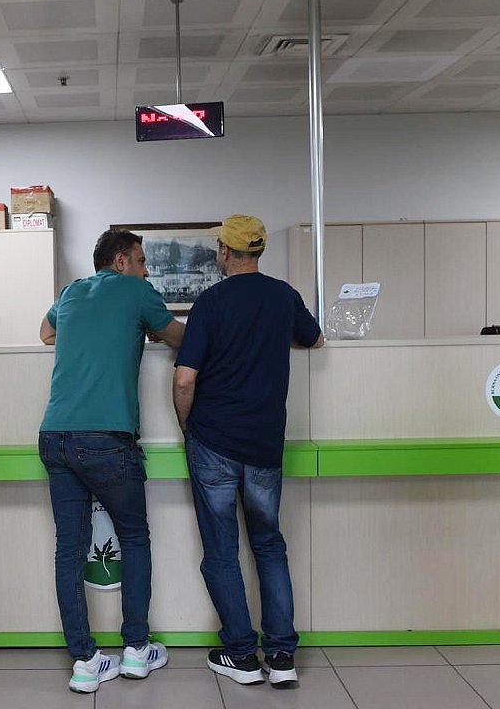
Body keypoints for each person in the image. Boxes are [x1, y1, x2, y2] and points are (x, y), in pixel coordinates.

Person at [172, 215, 323, 689]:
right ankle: (281, 656)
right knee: (269, 545)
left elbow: (184, 379)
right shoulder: (284, 297)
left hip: (213, 443)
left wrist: (186, 427)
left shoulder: (211, 302)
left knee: (221, 551)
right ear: (258, 251)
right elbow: (315, 338)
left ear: (224, 251)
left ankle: (240, 654)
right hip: (264, 444)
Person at [37, 229, 185, 693]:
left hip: (55, 435)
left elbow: (45, 333)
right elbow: (182, 337)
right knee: (134, 538)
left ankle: (85, 662)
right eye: (141, 261)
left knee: (68, 548)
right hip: (106, 439)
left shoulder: (70, 292)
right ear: (120, 261)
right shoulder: (136, 292)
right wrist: (144, 327)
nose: (146, 270)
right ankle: (136, 650)